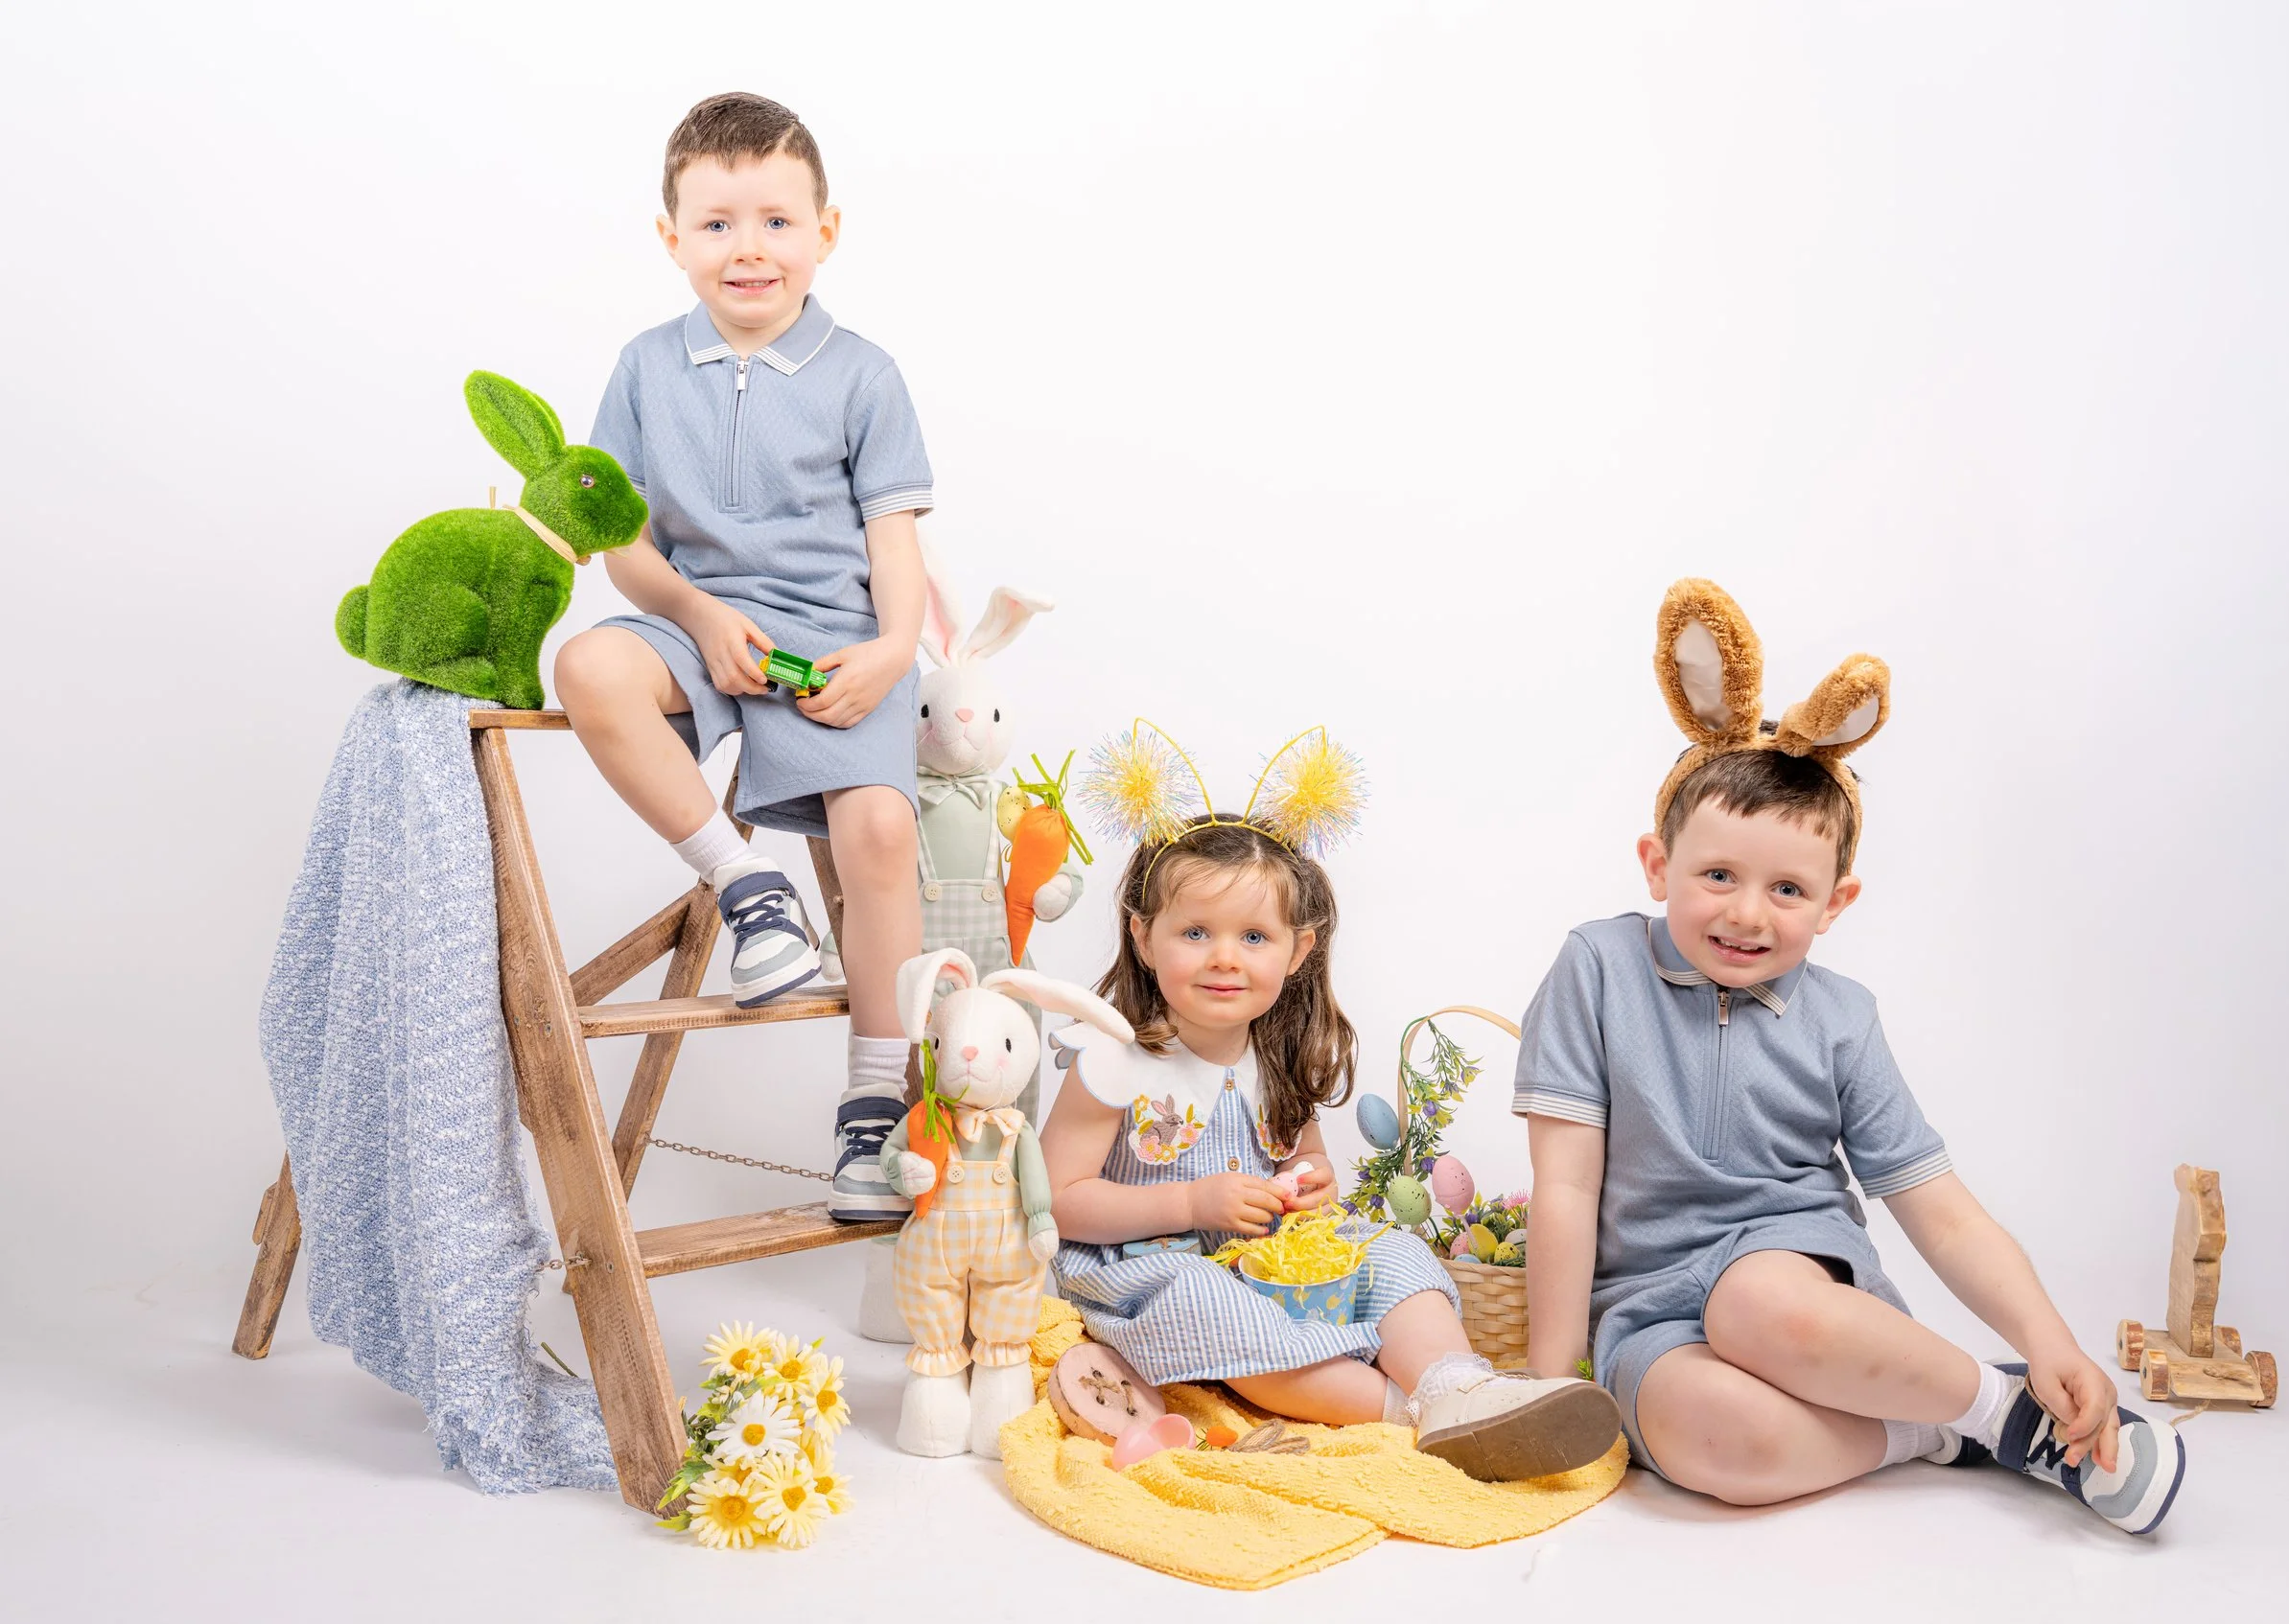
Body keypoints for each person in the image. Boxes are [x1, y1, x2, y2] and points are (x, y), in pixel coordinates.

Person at [1519, 578, 2186, 1533]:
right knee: (1712, 1443)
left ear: (1835, 903)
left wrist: (2046, 1337)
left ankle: (2009, 1406)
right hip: (1647, 1304)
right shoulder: (1597, 966)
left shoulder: (1841, 1018)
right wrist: (1550, 1380)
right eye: (1716, 875)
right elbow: (1566, 1184)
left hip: (1791, 1273)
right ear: (1656, 864)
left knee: (1755, 1303)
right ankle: (1944, 1427)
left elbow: (1941, 1214)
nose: (1748, 912)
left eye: (1787, 888)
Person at [1040, 731, 1622, 1482]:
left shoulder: (1277, 1059)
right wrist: (1193, 1199)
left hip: (1266, 1254)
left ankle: (1457, 1383)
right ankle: (1409, 1415)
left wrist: (1310, 1181)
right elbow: (1059, 1200)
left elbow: (1305, 1160)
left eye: (1254, 935)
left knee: (1390, 1251)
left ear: (1299, 949)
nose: (1225, 956)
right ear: (1144, 937)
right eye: (1195, 932)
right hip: (1154, 1266)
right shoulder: (1114, 1061)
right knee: (1209, 1305)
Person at [552, 93, 932, 1218]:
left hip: (835, 638)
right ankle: (749, 886)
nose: (748, 247)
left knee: (878, 829)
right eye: (716, 224)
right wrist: (696, 612)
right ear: (671, 238)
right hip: (697, 618)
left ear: (825, 230)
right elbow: (619, 538)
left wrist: (892, 648)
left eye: (774, 220)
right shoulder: (642, 365)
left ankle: (875, 1104)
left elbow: (894, 538)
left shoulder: (863, 373)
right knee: (589, 668)